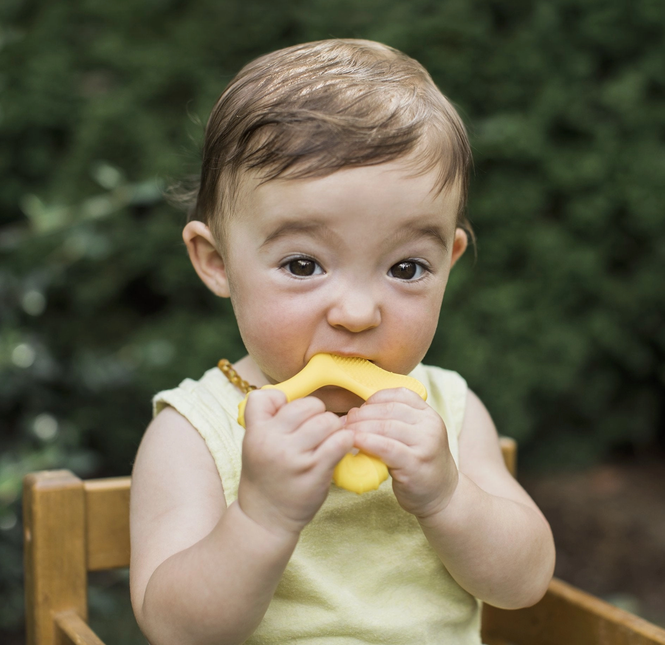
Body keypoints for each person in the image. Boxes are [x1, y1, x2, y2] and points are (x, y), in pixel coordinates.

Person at [129, 39, 555, 645]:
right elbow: (174, 629)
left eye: (406, 268)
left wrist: (447, 497)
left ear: (449, 263)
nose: (358, 312)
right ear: (217, 261)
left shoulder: (448, 410)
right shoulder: (197, 432)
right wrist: (262, 517)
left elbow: (525, 581)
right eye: (303, 264)